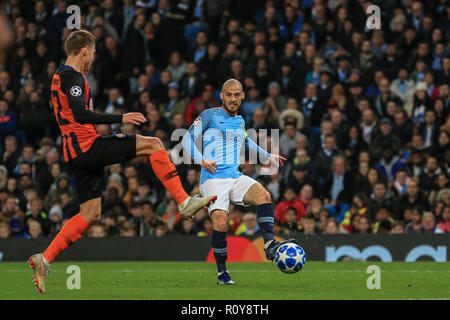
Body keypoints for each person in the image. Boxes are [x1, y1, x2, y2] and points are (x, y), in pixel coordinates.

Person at [28, 30, 217, 294]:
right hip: (87, 147)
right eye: (93, 52)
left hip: (76, 154)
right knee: (154, 144)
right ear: (84, 50)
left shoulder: (60, 75)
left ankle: (44, 259)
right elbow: (81, 114)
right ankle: (184, 202)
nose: (93, 57)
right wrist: (121, 117)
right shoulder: (72, 77)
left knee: (90, 215)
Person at [182, 79, 295, 285]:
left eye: (237, 95)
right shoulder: (209, 115)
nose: (233, 99)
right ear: (221, 96)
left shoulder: (241, 120)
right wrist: (201, 160)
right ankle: (222, 273)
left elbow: (245, 140)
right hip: (213, 179)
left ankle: (269, 243)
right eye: (229, 95)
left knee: (264, 195)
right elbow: (186, 139)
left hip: (234, 176)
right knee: (222, 223)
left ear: (243, 96)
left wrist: (266, 155)